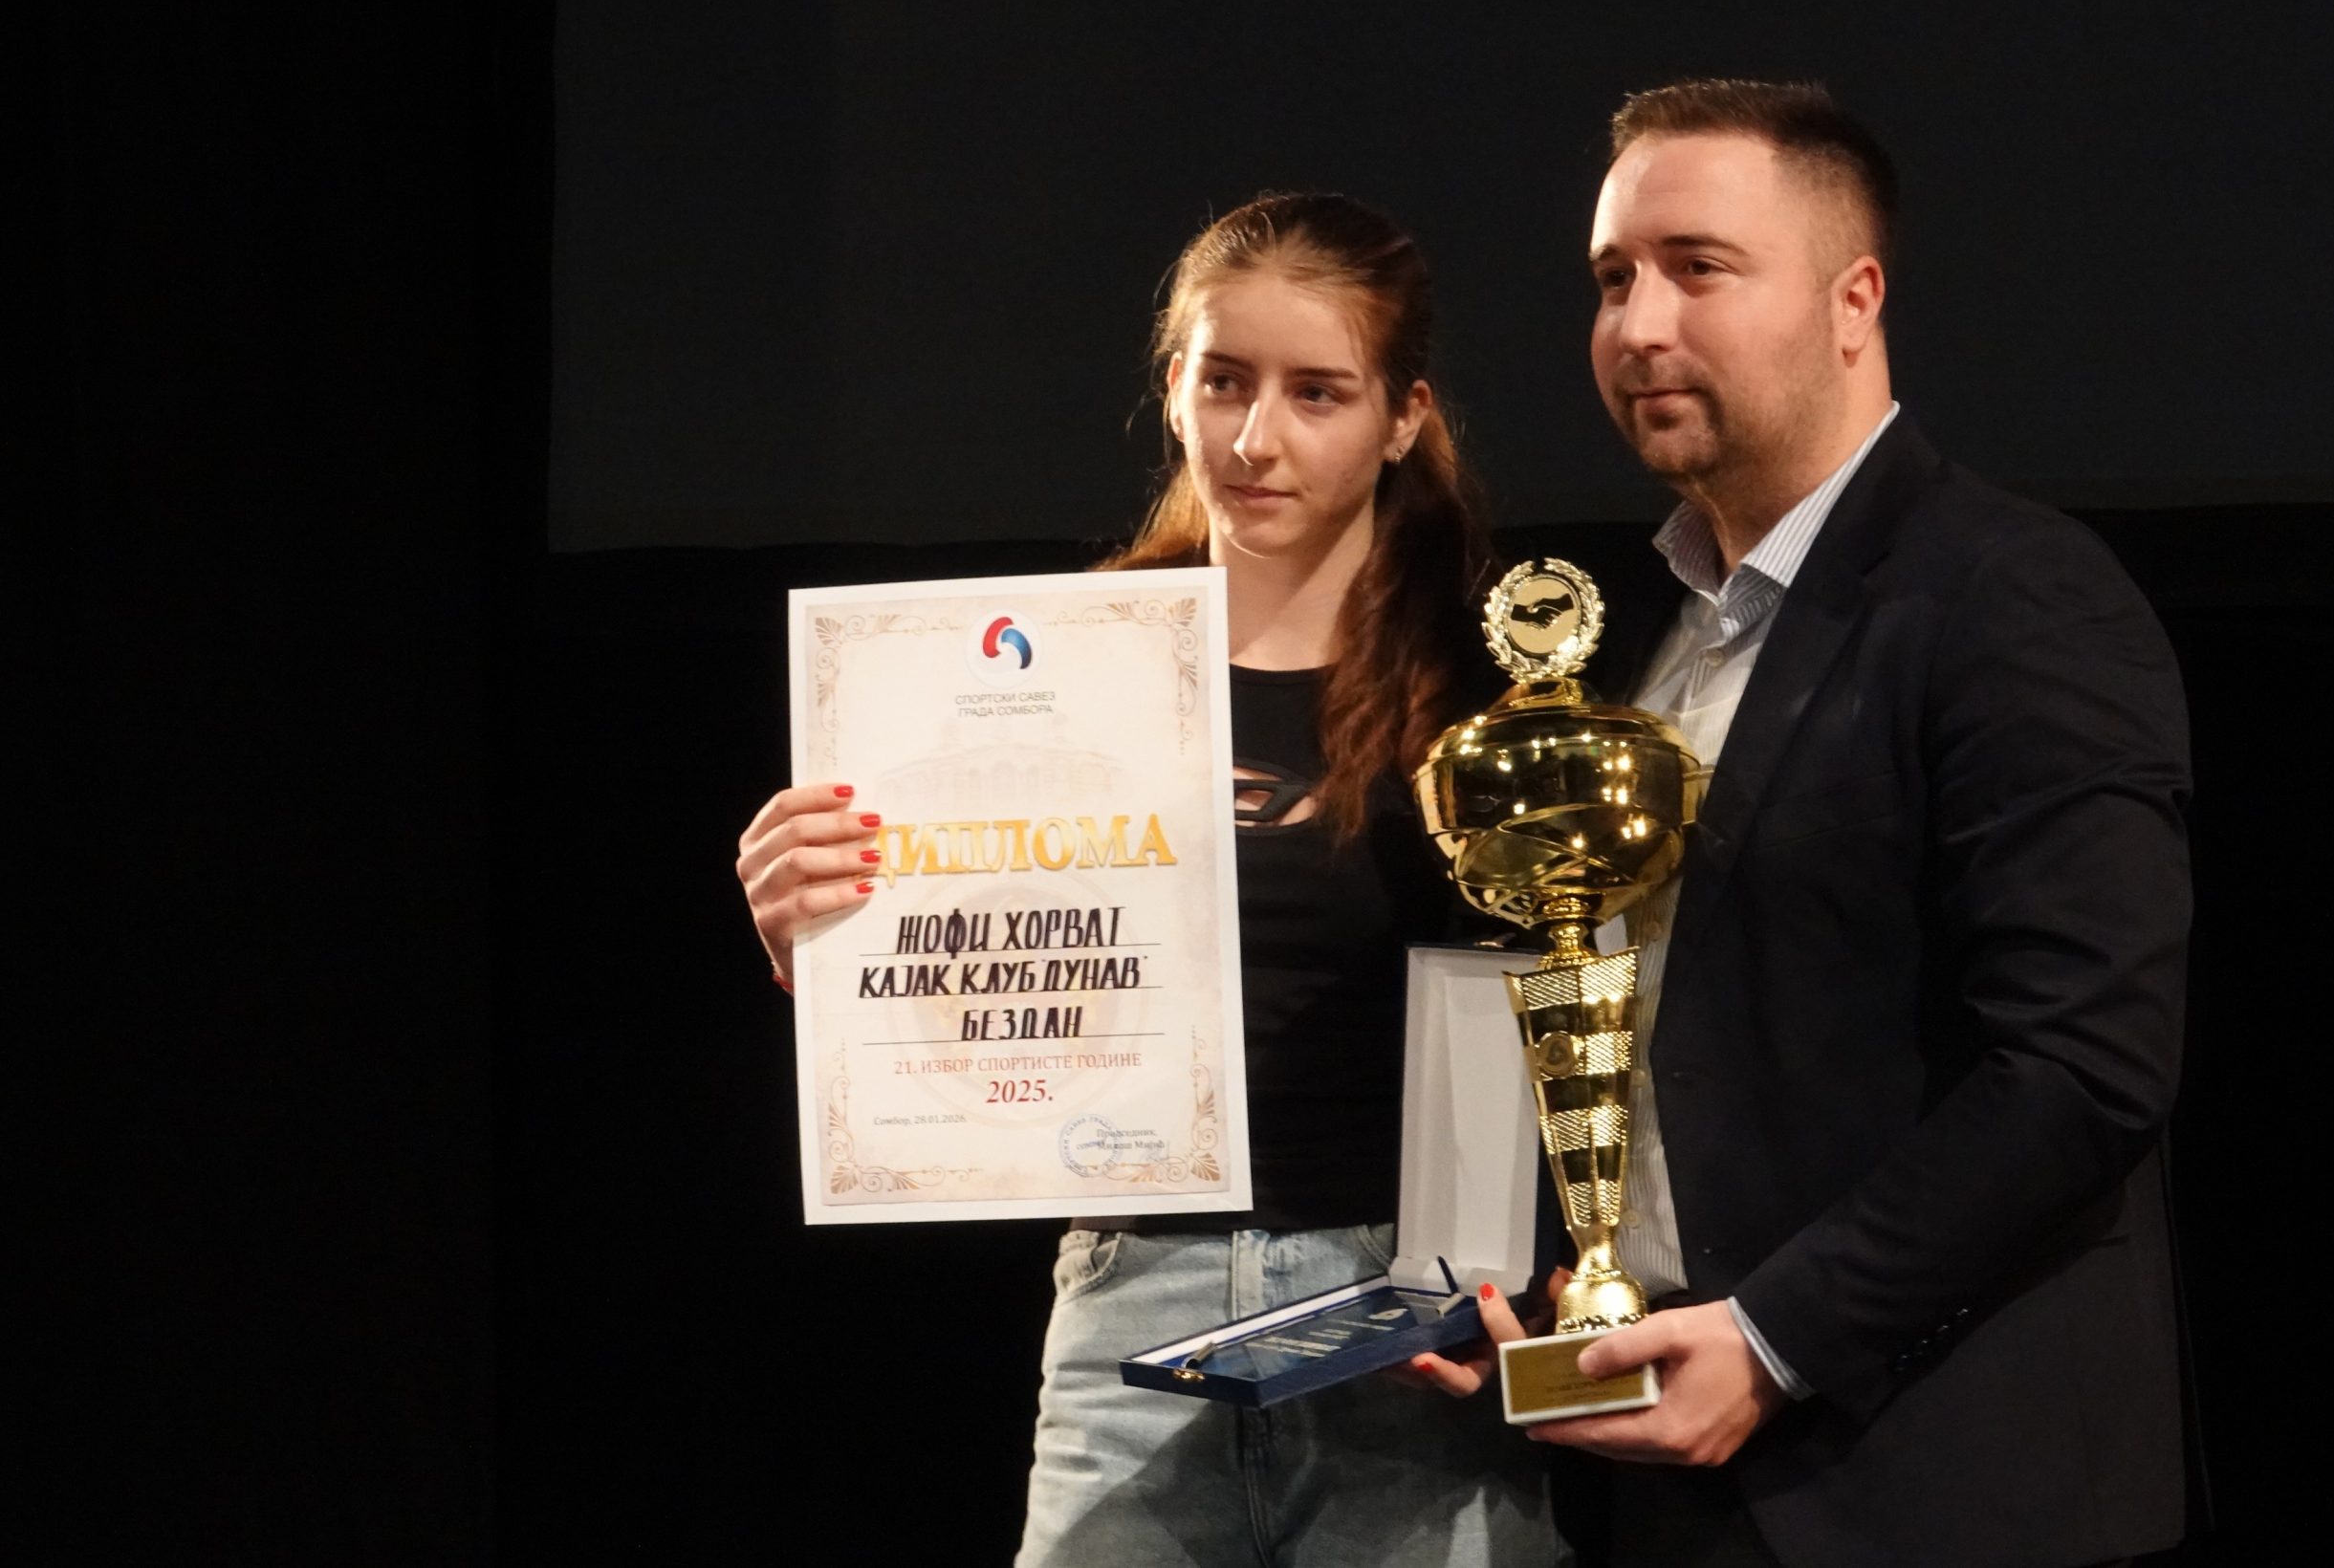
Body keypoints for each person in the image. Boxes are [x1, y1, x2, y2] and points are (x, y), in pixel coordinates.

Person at [733, 193, 1564, 1567]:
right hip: (1136, 1301)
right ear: (1173, 385)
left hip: (1406, 1321)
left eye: (1317, 392)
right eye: (1224, 380)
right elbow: (964, 987)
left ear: (1402, 416)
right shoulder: (1055, 676)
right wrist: (823, 936)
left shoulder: (1497, 694)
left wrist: (1502, 1281)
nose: (1256, 438)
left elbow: (1560, 1012)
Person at [1429, 79, 2192, 1568]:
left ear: (1856, 302)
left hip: (1932, 1495)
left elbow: (2086, 1066)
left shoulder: (2013, 595)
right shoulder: (1637, 637)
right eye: (1612, 278)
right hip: (1657, 1474)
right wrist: (1492, 1284)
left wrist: (1779, 1337)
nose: (1638, 325)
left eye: (1699, 268)